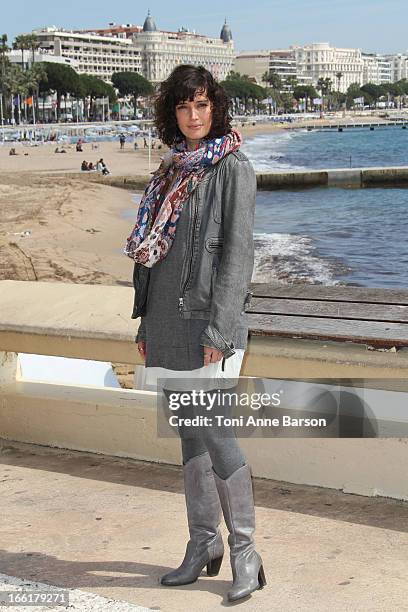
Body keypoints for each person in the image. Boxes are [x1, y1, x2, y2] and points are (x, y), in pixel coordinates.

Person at [124, 65, 265, 602]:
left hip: (210, 320)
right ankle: (203, 544)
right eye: (184, 107)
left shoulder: (234, 169)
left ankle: (246, 553)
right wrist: (144, 318)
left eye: (202, 105)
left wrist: (222, 326)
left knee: (216, 430)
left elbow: (237, 255)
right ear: (172, 113)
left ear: (216, 108)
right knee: (188, 430)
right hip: (165, 316)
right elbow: (154, 255)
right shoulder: (170, 169)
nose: (193, 116)